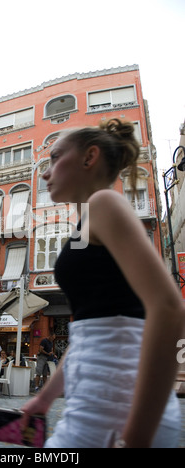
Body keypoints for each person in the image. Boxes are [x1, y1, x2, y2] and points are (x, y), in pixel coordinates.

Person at [21, 119, 185, 448]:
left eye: (55, 157)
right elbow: (89, 330)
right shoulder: (87, 220)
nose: (45, 172)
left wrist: (136, 437)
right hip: (93, 411)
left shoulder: (104, 204)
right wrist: (45, 399)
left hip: (116, 413)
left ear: (89, 157)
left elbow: (169, 309)